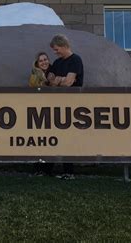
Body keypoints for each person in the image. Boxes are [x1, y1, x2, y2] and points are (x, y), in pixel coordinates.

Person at [46, 34, 84, 179]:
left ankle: (69, 171)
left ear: (64, 46)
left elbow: (68, 83)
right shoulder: (57, 62)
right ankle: (47, 169)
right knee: (52, 136)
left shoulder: (76, 60)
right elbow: (50, 80)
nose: (55, 52)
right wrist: (60, 80)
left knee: (68, 137)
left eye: (56, 49)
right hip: (56, 103)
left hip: (71, 104)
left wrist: (59, 80)